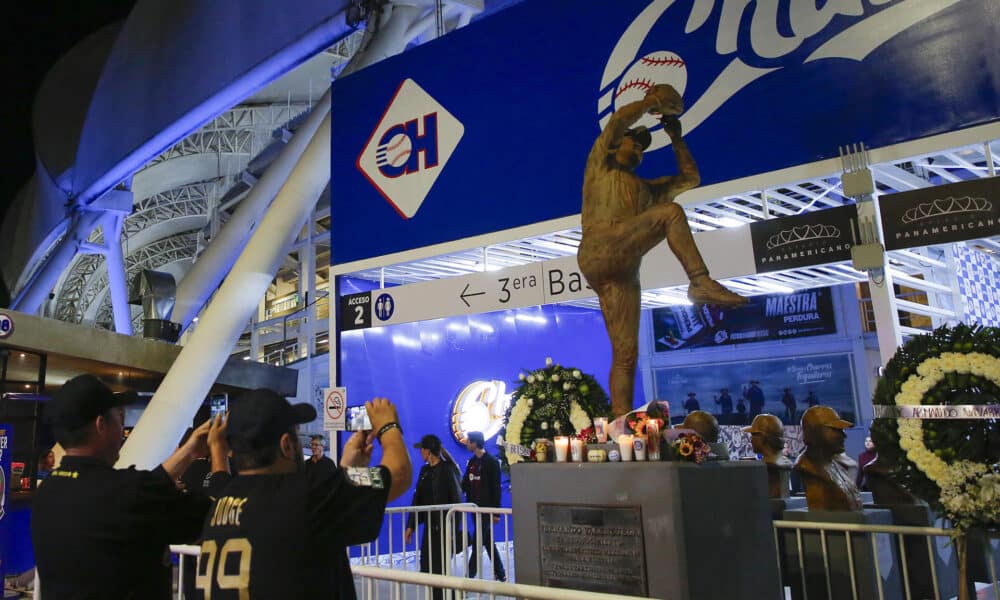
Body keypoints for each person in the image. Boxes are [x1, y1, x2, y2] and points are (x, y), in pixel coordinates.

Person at [578, 83, 745, 416]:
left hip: (622, 268)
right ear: (615, 147)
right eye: (633, 143)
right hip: (601, 246)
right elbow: (616, 123)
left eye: (642, 150)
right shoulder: (600, 167)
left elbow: (690, 178)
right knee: (671, 214)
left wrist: (676, 138)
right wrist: (649, 102)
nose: (638, 151)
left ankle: (622, 424)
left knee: (625, 354)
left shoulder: (648, 190)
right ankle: (699, 280)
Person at [194, 390, 410, 599]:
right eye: (296, 435)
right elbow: (398, 474)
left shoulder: (222, 499)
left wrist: (347, 470)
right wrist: (388, 426)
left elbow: (220, 474)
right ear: (286, 445)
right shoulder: (308, 494)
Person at [31, 374, 215, 599]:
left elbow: (134, 491)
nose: (122, 427)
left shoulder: (48, 491)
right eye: (119, 417)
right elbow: (212, 516)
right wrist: (219, 453)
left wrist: (188, 452)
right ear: (101, 425)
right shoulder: (127, 494)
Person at [405, 434, 463, 599]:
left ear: (428, 451)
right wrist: (411, 525)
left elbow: (457, 502)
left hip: (444, 530)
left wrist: (453, 531)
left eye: (422, 449)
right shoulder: (425, 471)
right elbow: (418, 501)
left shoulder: (448, 470)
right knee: (427, 568)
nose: (420, 452)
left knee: (440, 571)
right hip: (430, 530)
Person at [794, 405, 862, 511]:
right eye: (835, 429)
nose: (844, 436)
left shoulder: (836, 464)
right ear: (813, 432)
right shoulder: (806, 467)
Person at [460, 431, 506, 582]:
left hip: (487, 510)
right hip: (475, 510)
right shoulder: (472, 462)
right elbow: (465, 483)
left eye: (468, 441)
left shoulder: (492, 462)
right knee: (486, 541)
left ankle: (468, 577)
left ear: (474, 443)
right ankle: (500, 573)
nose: (466, 443)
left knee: (478, 541)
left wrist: (496, 513)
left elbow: (496, 489)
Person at [744, 414, 792, 498]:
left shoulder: (769, 464)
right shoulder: (781, 461)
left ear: (762, 437)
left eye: (753, 435)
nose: (750, 440)